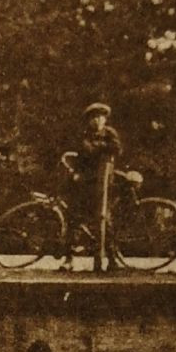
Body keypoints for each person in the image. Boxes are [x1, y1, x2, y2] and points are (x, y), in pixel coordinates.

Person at [61, 103, 123, 271]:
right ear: (89, 120)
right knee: (75, 218)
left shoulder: (109, 133)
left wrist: (99, 148)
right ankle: (69, 258)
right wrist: (101, 149)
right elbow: (85, 152)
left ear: (105, 119)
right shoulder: (85, 135)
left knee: (106, 221)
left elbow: (116, 149)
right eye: (93, 117)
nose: (97, 121)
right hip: (87, 182)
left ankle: (112, 258)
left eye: (100, 117)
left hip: (105, 182)